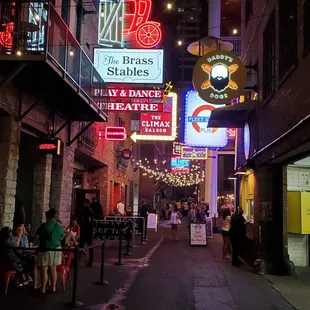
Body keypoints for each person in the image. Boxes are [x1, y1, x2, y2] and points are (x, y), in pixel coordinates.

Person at [37, 208, 64, 293]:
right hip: (57, 249)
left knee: (44, 268)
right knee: (53, 269)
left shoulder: (44, 226)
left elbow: (37, 235)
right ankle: (53, 287)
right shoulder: (59, 226)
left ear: (47, 216)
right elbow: (62, 237)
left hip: (46, 248)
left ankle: (43, 288)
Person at [78, 199, 94, 267]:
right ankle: (89, 261)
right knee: (87, 246)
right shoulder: (90, 210)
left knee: (81, 245)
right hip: (88, 231)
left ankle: (78, 260)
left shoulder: (86, 210)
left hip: (85, 230)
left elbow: (87, 220)